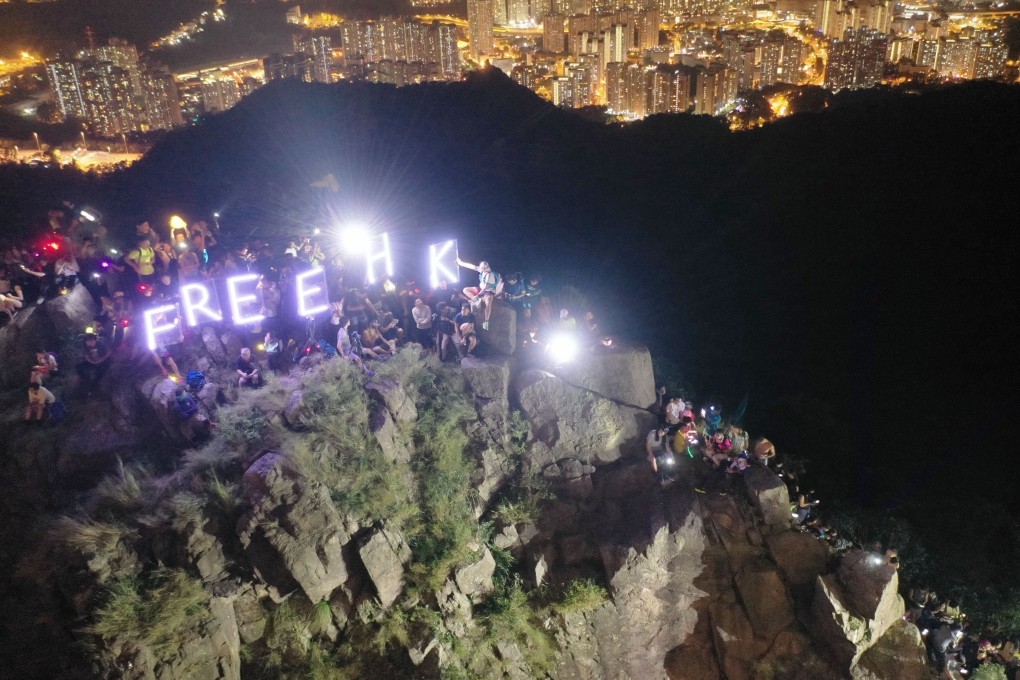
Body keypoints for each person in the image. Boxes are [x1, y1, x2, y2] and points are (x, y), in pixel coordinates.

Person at [456, 257, 500, 330]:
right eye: (481, 268)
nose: (482, 269)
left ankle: (486, 321)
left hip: (488, 291)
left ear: (486, 267)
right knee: (465, 290)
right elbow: (472, 266)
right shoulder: (481, 269)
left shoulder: (490, 275)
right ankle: (476, 300)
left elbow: (485, 288)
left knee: (488, 304)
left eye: (484, 268)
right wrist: (461, 263)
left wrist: (478, 295)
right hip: (480, 288)